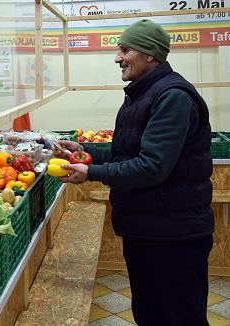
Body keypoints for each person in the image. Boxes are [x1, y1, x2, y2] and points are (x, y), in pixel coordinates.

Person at [55, 20, 213, 326]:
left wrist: (91, 171)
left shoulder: (172, 97)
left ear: (150, 55)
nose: (117, 58)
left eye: (125, 50)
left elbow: (152, 167)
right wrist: (82, 150)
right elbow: (125, 151)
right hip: (147, 229)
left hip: (174, 236)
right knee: (149, 314)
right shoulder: (142, 95)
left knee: (180, 318)